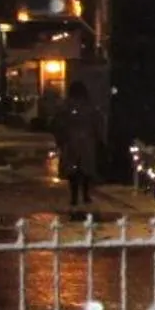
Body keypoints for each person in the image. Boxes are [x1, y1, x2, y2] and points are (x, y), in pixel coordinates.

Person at [53, 81, 103, 213]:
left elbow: (59, 124)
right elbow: (97, 123)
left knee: (73, 171)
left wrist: (60, 140)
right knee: (85, 170)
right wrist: (98, 139)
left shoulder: (66, 106)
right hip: (87, 143)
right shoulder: (90, 107)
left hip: (71, 143)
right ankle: (85, 195)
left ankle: (74, 196)